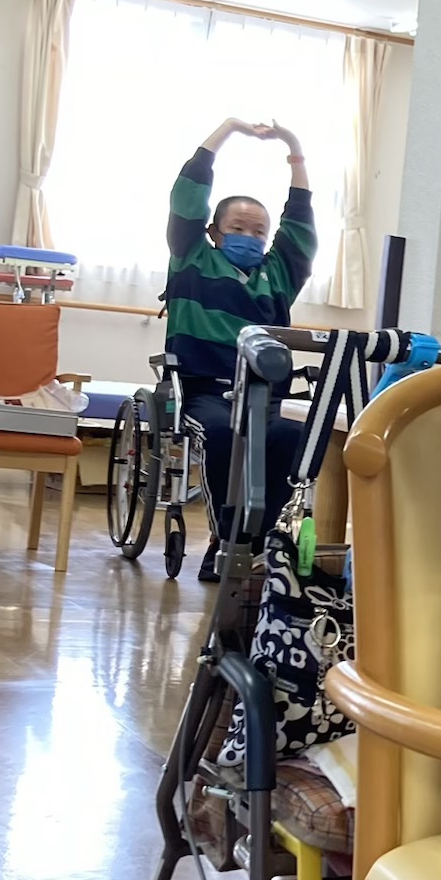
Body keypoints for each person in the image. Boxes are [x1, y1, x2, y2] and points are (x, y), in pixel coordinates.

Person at [164, 117, 314, 580]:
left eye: (258, 232)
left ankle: (262, 545)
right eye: (238, 228)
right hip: (205, 391)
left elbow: (301, 222)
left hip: (266, 396)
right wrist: (226, 130)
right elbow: (187, 195)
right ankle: (227, 542)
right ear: (214, 231)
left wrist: (294, 148)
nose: (249, 237)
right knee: (225, 435)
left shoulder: (279, 275)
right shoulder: (192, 257)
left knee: (292, 436)